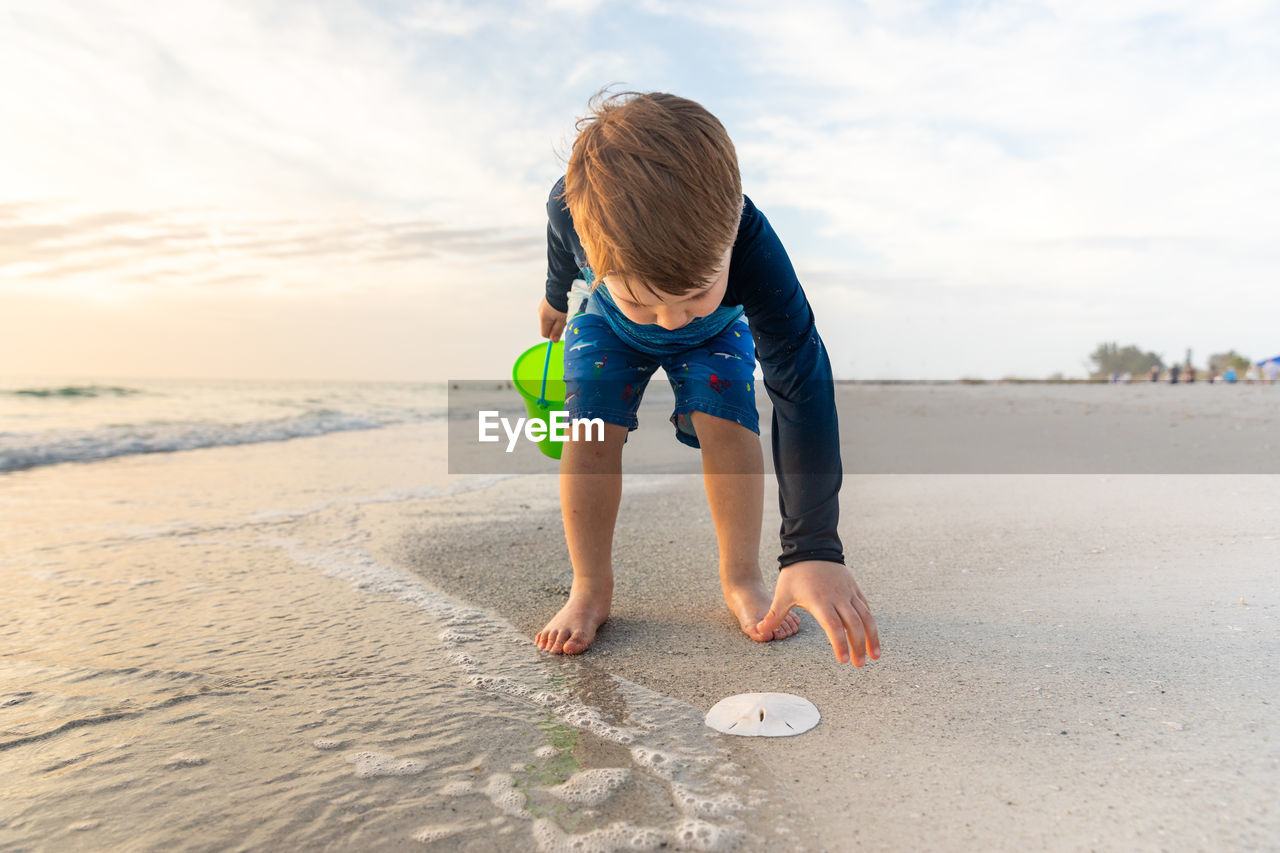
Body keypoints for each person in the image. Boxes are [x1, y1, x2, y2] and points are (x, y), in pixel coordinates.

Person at [534, 91, 880, 667]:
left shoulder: (752, 243)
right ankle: (590, 586)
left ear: (730, 235)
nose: (672, 319)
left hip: (718, 333)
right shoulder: (567, 205)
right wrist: (553, 299)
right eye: (648, 300)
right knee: (590, 436)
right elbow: (560, 252)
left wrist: (813, 549)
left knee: (727, 426)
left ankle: (743, 578)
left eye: (696, 292)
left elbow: (802, 382)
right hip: (603, 321)